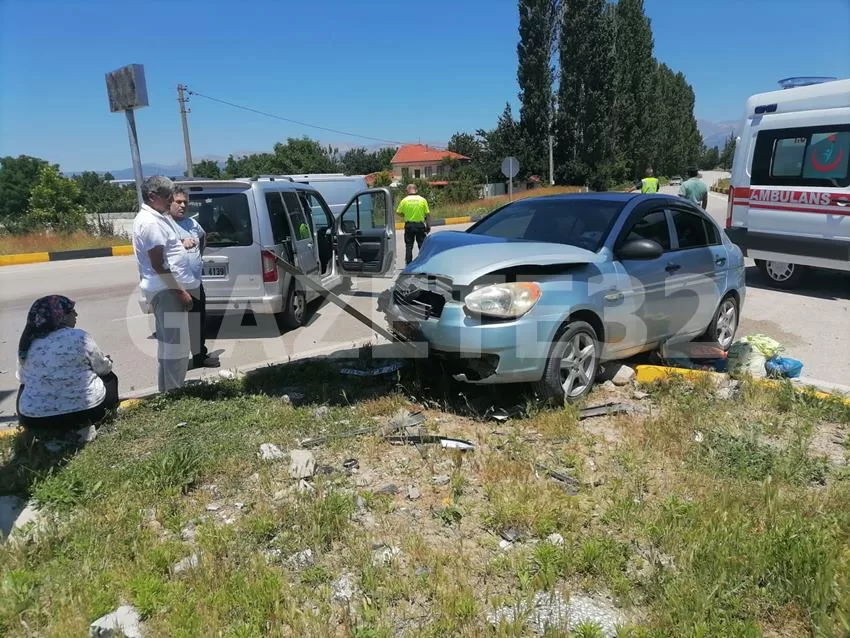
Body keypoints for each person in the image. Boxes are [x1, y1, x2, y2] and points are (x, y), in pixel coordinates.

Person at [16, 296, 119, 434]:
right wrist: (107, 362)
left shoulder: (28, 343)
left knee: (25, 387)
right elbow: (103, 368)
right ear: (61, 316)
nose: (76, 314)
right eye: (72, 311)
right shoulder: (80, 337)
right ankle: (102, 417)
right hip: (87, 412)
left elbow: (23, 378)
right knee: (110, 378)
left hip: (35, 420)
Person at [132, 175, 195, 392]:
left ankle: (168, 389)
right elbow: (159, 264)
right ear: (152, 196)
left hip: (165, 289)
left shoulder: (157, 217)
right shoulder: (150, 222)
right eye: (167, 196)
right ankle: (173, 392)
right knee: (176, 347)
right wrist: (180, 293)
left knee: (171, 345)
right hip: (166, 291)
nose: (171, 200)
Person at [169, 186, 220, 369]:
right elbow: (162, 249)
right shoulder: (165, 225)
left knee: (197, 321)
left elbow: (202, 237)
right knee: (175, 325)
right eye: (178, 202)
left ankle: (200, 357)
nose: (182, 206)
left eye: (185, 202)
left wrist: (196, 257)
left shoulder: (191, 223)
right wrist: (181, 244)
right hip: (175, 285)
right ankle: (176, 363)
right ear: (169, 202)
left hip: (194, 282)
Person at [395, 183, 431, 265]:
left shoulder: (404, 200)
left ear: (407, 190)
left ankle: (409, 264)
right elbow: (427, 214)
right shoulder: (422, 200)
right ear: (416, 190)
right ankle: (423, 263)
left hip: (409, 226)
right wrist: (428, 226)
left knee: (409, 246)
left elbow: (398, 212)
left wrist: (405, 215)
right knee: (422, 246)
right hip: (420, 226)